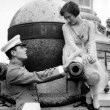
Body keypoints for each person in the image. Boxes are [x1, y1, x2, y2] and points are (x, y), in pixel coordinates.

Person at [60, 1, 108, 110]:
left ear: (75, 13)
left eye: (69, 17)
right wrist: (82, 55)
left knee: (94, 67)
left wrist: (91, 55)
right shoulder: (65, 27)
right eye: (65, 18)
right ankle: (87, 96)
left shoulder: (89, 24)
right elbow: (70, 44)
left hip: (86, 51)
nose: (67, 20)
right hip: (72, 53)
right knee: (80, 66)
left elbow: (91, 42)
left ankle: (94, 98)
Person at [1, 35, 69, 110]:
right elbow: (37, 76)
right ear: (13, 53)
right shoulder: (13, 71)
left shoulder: (20, 68)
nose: (25, 49)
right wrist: (61, 69)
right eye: (21, 48)